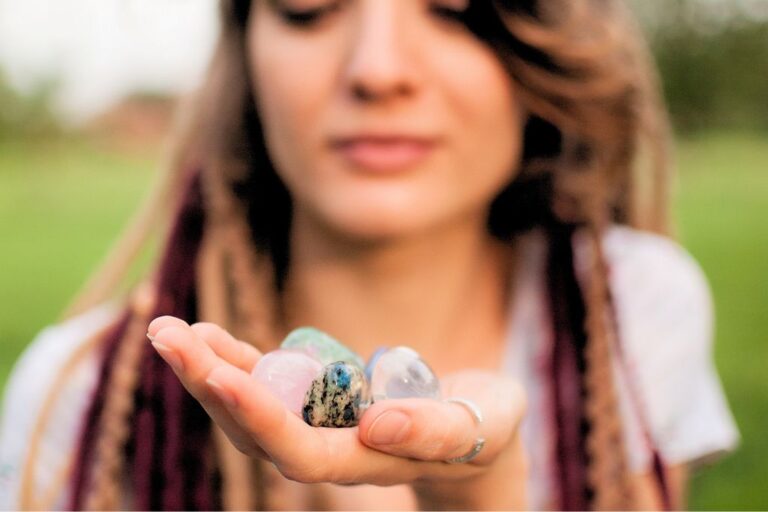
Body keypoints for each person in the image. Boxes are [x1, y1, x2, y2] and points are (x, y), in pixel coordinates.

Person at [0, 0, 740, 510]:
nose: (378, 69)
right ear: (246, 49)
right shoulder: (86, 398)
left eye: (454, 8)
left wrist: (481, 496)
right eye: (311, 5)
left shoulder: (633, 309)